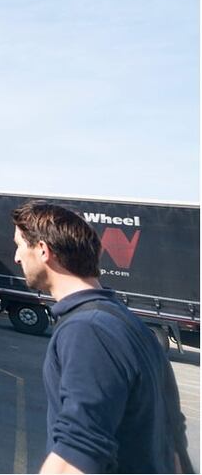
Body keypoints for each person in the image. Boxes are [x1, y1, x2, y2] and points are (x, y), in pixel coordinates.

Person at [11, 200, 191, 473]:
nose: (16, 257)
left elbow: (76, 455)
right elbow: (173, 438)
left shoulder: (86, 330)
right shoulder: (127, 322)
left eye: (20, 245)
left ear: (43, 250)